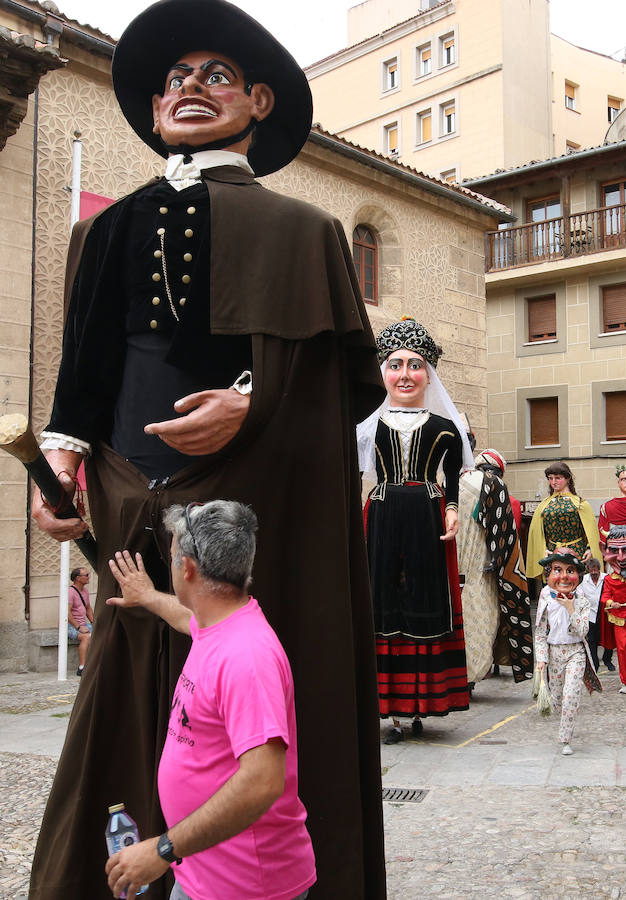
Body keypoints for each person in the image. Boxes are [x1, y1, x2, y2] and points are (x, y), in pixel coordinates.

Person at [29, 3, 386, 897]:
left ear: (259, 101)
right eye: (174, 80)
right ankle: (124, 869)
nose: (190, 88)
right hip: (126, 504)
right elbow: (84, 375)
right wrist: (64, 466)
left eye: (214, 75)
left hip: (253, 505)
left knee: (254, 694)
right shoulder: (98, 233)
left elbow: (350, 384)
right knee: (125, 692)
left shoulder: (308, 232)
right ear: (154, 114)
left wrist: (251, 403)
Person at [104, 501, 315, 900]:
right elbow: (188, 620)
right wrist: (148, 596)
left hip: (247, 886)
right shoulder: (220, 625)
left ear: (187, 568)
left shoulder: (246, 656)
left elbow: (262, 781)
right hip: (204, 872)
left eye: (170, 558)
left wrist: (164, 848)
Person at [358, 318, 474, 744]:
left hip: (428, 513)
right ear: (384, 372)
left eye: (414, 365)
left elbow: (452, 477)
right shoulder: (366, 427)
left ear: (428, 374)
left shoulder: (447, 429)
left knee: (426, 603)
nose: (404, 374)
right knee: (382, 603)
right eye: (395, 365)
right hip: (383, 513)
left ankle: (422, 704)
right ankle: (388, 710)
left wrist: (454, 511)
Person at [457, 448, 533, 686]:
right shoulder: (494, 485)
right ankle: (470, 677)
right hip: (481, 569)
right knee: (481, 619)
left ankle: (457, 677)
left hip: (452, 570)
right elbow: (505, 540)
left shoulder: (453, 481)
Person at [534, 547, 601, 756]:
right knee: (556, 697)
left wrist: (571, 607)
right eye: (557, 570)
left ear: (577, 575)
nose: (564, 576)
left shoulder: (581, 597)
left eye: (569, 570)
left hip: (575, 653)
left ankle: (565, 738)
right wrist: (541, 659)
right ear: (549, 574)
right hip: (554, 654)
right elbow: (540, 631)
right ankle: (561, 718)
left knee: (571, 695)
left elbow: (583, 630)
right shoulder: (545, 595)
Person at [526, 462, 602, 581]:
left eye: (558, 478)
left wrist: (589, 549)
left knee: (577, 586)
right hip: (552, 553)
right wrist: (543, 550)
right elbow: (538, 533)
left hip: (577, 552)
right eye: (550, 478)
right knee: (554, 587)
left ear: (568, 478)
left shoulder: (580, 504)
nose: (553, 482)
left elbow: (590, 532)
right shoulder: (544, 505)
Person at [599, 525, 626, 694]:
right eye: (614, 550)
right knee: (623, 649)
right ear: (604, 551)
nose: (621, 557)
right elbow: (604, 597)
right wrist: (611, 602)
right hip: (620, 619)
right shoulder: (610, 580)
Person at [580, 558, 604, 680]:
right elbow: (580, 597)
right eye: (592, 570)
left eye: (596, 570)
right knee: (592, 642)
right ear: (588, 570)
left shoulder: (606, 578)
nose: (594, 573)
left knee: (606, 640)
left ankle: (607, 659)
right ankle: (595, 665)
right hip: (590, 616)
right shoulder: (583, 581)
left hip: (604, 615)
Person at [68, 566, 94, 676]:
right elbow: (67, 613)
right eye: (86, 575)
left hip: (83, 624)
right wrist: (78, 627)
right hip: (70, 626)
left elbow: (88, 609)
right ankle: (82, 667)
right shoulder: (70, 592)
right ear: (78, 578)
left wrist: (94, 623)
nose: (89, 577)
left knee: (103, 632)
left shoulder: (85, 591)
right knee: (86, 637)